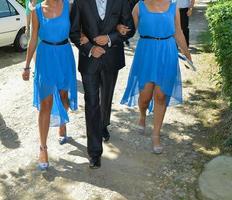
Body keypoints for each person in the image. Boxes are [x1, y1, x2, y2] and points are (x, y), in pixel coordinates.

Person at [70, 0, 135, 169]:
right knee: (92, 103)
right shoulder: (80, 2)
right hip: (89, 60)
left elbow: (130, 28)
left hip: (112, 59)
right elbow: (74, 31)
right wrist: (90, 48)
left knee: (106, 99)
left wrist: (109, 38)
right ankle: (94, 152)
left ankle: (103, 124)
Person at [120, 0, 192, 154]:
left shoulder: (173, 7)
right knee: (145, 96)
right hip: (146, 52)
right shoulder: (139, 6)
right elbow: (130, 30)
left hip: (167, 52)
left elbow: (178, 32)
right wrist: (118, 28)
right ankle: (142, 115)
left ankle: (156, 134)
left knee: (160, 95)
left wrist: (187, 54)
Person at [22, 0, 78, 170]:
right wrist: (26, 66)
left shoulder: (69, 6)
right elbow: (33, 40)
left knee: (63, 97)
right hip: (45, 57)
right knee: (45, 103)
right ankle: (43, 147)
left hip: (64, 55)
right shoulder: (37, 10)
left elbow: (78, 30)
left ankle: (62, 124)